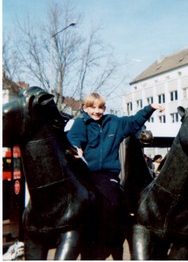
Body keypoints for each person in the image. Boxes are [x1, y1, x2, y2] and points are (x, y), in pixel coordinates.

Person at [67, 92, 164, 257]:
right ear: (85, 108)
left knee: (110, 200)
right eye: (92, 107)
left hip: (107, 175)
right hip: (85, 174)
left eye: (100, 107)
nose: (97, 111)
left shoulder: (113, 122)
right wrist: (75, 148)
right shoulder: (80, 123)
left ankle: (107, 240)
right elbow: (73, 139)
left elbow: (134, 122)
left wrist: (150, 109)